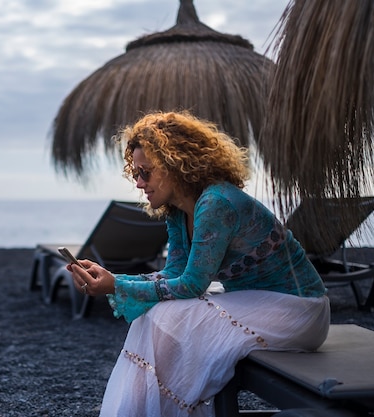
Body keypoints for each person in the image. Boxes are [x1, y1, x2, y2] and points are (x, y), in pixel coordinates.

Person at [66, 111, 330, 417]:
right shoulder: (179, 211)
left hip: (298, 310)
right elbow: (174, 275)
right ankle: (144, 407)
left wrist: (116, 285)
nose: (139, 183)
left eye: (146, 172)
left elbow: (192, 285)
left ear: (174, 165)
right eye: (136, 173)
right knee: (160, 314)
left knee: (167, 317)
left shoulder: (216, 203)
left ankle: (146, 408)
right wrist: (113, 277)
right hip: (257, 304)